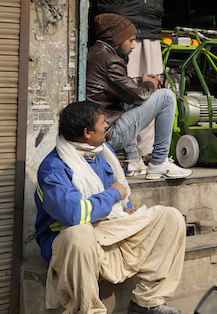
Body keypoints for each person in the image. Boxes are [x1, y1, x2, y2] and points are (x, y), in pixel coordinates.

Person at [34, 101, 185, 314]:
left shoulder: (103, 153)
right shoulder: (54, 169)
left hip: (108, 231)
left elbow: (121, 199)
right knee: (80, 234)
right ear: (87, 132)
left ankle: (148, 302)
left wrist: (126, 208)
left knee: (170, 217)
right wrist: (114, 194)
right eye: (103, 122)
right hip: (70, 243)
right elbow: (74, 215)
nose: (107, 125)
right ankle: (89, 310)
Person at [86, 13, 191, 180]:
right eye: (130, 40)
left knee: (127, 102)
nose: (133, 46)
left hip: (97, 128)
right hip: (109, 133)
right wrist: (149, 83)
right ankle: (159, 162)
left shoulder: (93, 54)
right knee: (166, 96)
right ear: (118, 40)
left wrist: (140, 82)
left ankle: (134, 160)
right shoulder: (110, 60)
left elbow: (125, 90)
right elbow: (140, 95)